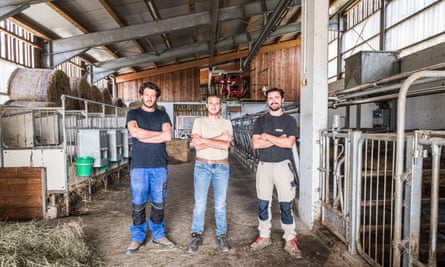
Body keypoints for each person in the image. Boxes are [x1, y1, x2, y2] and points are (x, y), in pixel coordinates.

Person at [249, 87, 302, 258]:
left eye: (276, 97)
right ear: (267, 101)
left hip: (282, 166)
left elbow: (289, 144)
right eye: (270, 98)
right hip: (264, 166)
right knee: (263, 203)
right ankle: (264, 236)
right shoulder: (260, 121)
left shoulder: (289, 121)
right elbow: (256, 144)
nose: (273, 100)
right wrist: (279, 139)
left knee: (286, 205)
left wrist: (267, 137)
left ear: (282, 99)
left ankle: (290, 238)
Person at [125, 82, 175, 255]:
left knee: (158, 203)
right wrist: (157, 135)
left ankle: (158, 235)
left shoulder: (163, 115)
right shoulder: (133, 113)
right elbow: (134, 133)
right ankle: (137, 237)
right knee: (138, 204)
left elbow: (168, 136)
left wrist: (144, 135)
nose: (149, 98)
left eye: (153, 95)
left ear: (156, 97)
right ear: (141, 96)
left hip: (159, 166)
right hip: (139, 166)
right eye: (147, 94)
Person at [186, 95, 233, 253]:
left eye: (217, 103)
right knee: (200, 203)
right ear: (206, 105)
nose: (214, 106)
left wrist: (205, 140)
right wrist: (218, 138)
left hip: (221, 166)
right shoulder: (198, 122)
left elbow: (225, 145)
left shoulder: (227, 123)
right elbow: (196, 145)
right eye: (211, 103)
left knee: (220, 203)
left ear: (220, 106)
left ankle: (221, 235)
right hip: (202, 166)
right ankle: (196, 235)